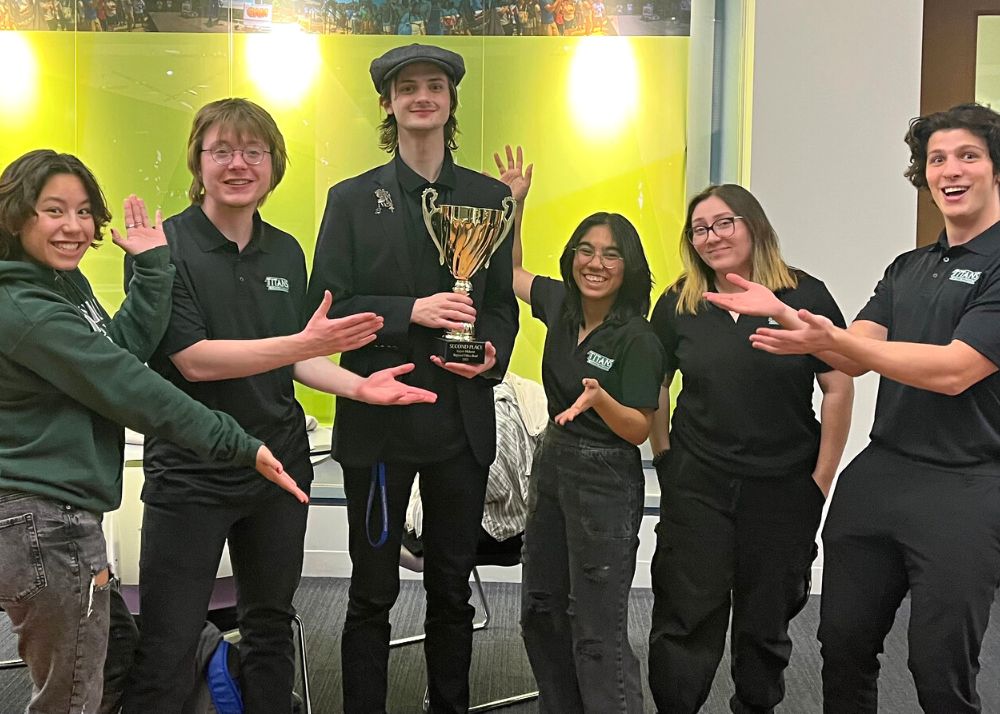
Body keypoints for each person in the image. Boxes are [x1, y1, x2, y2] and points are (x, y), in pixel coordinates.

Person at [122, 98, 435, 714]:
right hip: (191, 473)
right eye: (222, 152)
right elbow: (194, 359)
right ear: (199, 161)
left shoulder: (287, 251)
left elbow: (296, 358)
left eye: (253, 152)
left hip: (280, 468)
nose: (238, 164)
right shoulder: (166, 248)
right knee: (168, 645)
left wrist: (356, 386)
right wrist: (305, 343)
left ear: (272, 165)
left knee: (270, 629)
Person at [703, 103, 1000, 714]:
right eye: (937, 159)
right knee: (841, 644)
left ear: (995, 169)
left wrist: (833, 341)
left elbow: (955, 370)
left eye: (968, 155)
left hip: (967, 483)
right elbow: (858, 354)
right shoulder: (908, 267)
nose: (950, 170)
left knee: (938, 666)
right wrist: (789, 315)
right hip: (882, 473)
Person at [0, 149, 306, 714]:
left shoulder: (59, 284)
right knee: (73, 696)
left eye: (84, 211)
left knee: (108, 670)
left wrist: (150, 266)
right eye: (53, 210)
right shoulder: (24, 305)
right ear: (17, 215)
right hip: (42, 522)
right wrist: (239, 442)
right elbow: (133, 387)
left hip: (67, 519)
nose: (74, 227)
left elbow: (118, 354)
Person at [307, 44, 518, 713]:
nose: (421, 96)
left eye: (434, 86)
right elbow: (328, 307)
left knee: (452, 589)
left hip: (459, 426)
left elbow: (502, 309)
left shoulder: (490, 200)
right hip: (378, 426)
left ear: (451, 101)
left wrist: (490, 351)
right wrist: (410, 312)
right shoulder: (349, 200)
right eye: (407, 88)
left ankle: (449, 705)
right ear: (388, 104)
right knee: (371, 594)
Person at [646, 184, 853, 714]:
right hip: (698, 482)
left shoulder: (805, 295)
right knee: (685, 617)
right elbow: (655, 384)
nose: (711, 237)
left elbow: (838, 384)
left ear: (753, 224)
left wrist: (821, 482)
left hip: (784, 486)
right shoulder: (678, 302)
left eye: (723, 223)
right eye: (699, 229)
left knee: (765, 623)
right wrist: (667, 458)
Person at [494, 145, 664, 713]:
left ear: (628, 268)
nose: (596, 263)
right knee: (540, 612)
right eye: (586, 251)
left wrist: (600, 399)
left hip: (606, 476)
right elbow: (513, 272)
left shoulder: (637, 337)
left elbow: (639, 428)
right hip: (554, 464)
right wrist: (516, 206)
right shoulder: (562, 302)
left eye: (611, 256)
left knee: (596, 630)